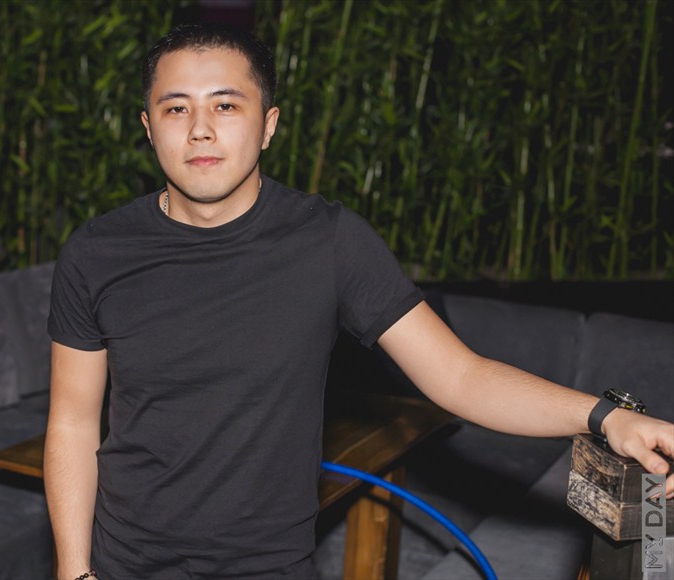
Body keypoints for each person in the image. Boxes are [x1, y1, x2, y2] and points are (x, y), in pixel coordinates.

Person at [44, 23, 674, 580]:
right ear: (148, 126)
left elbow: (460, 376)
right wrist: (75, 571)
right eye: (176, 108)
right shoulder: (97, 253)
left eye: (226, 104)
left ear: (269, 125)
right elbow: (72, 421)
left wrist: (604, 417)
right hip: (127, 562)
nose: (201, 129)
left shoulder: (329, 241)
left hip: (267, 566)